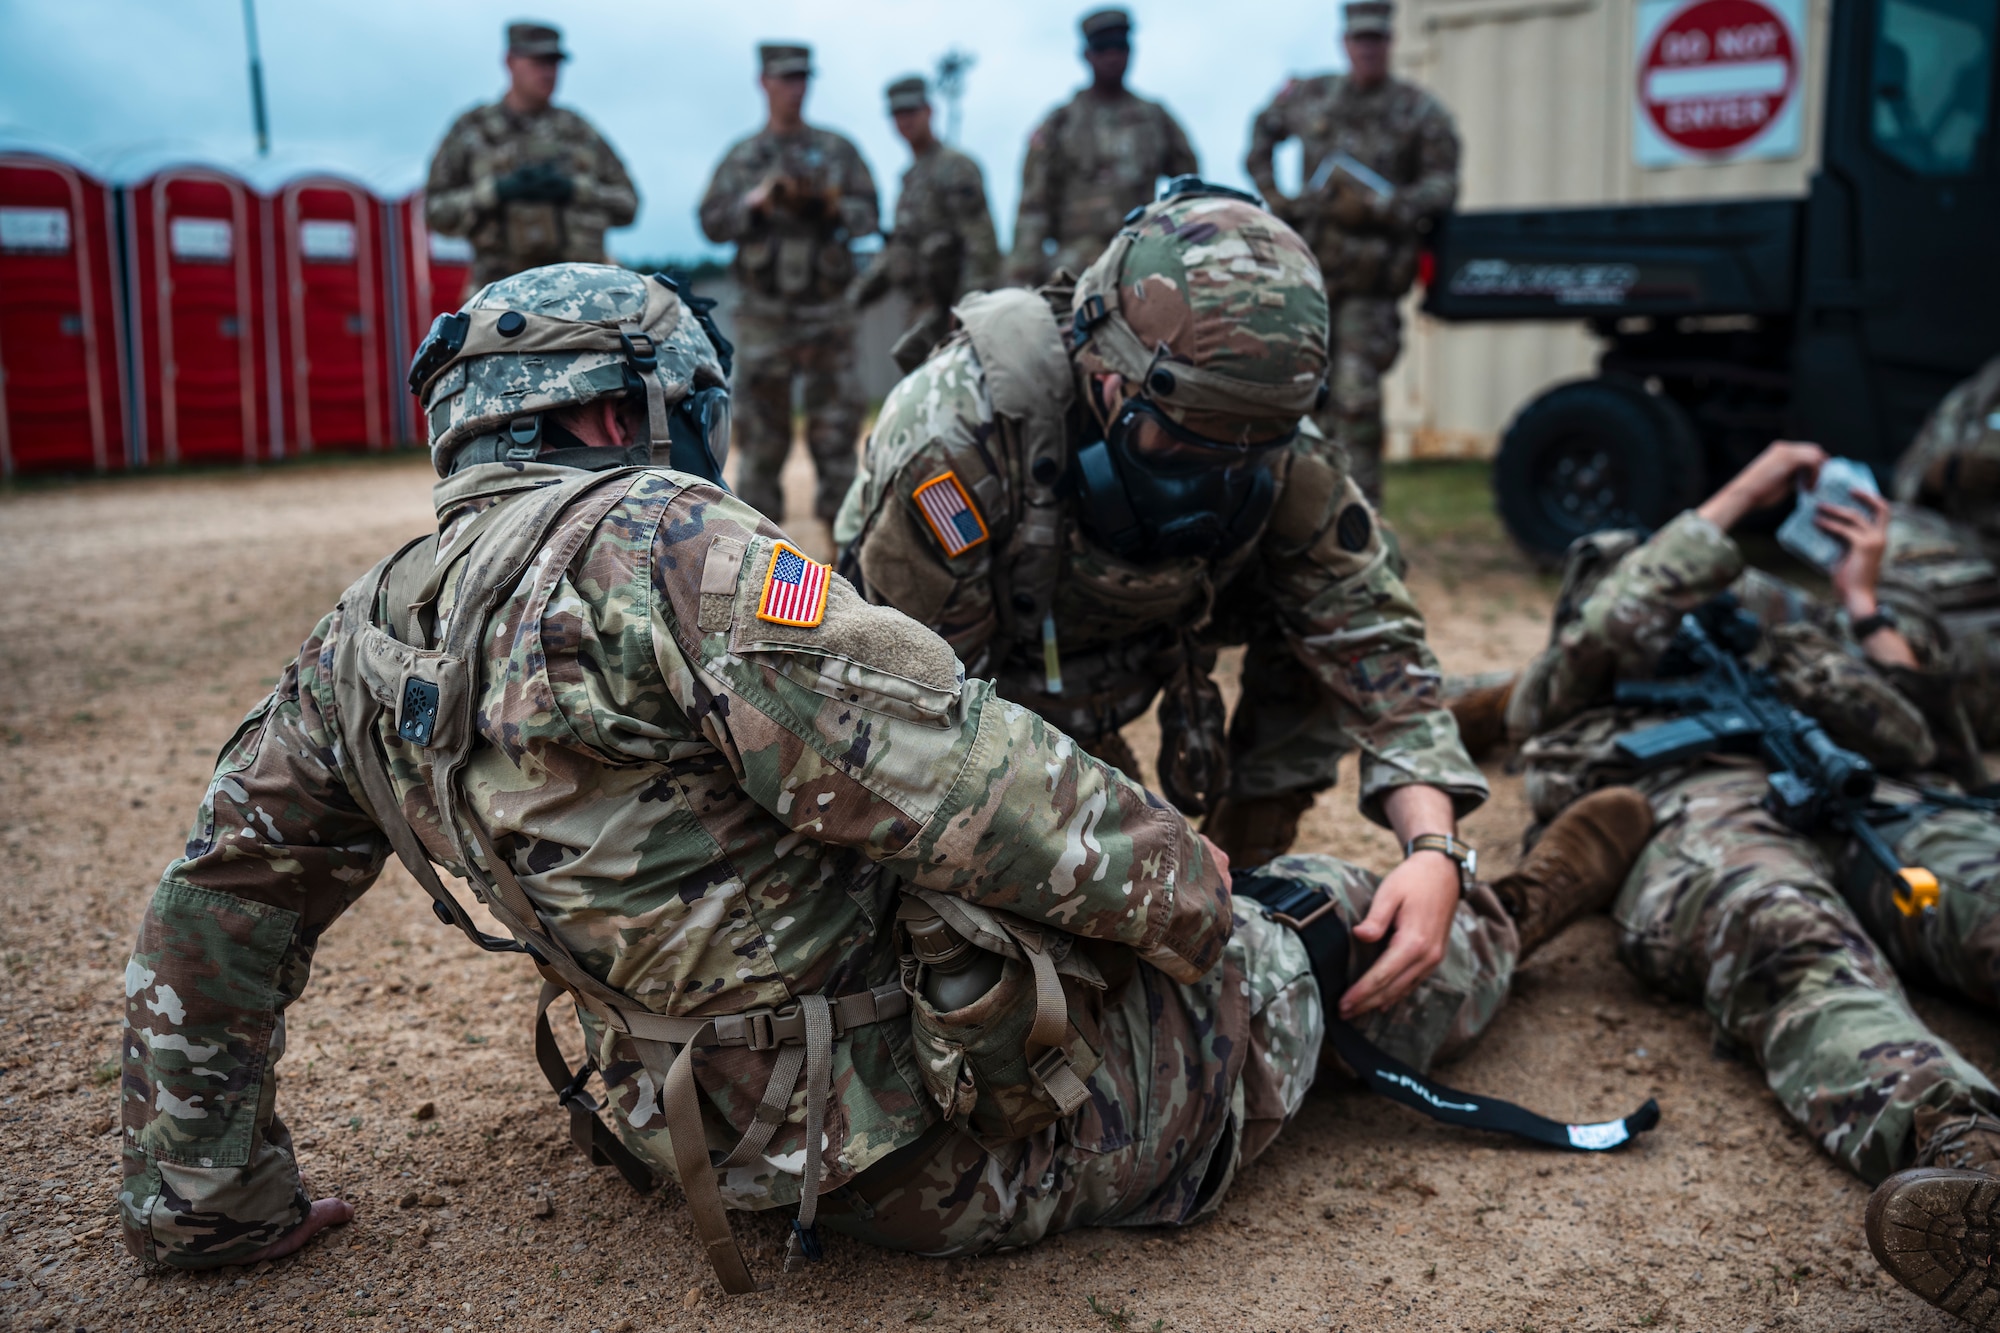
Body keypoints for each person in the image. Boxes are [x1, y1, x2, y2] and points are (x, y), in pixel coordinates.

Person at [117, 261, 1649, 1289]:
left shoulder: (366, 625)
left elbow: (216, 909)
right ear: (606, 415)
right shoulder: (667, 545)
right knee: (1318, 934)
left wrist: (209, 1193)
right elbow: (973, 780)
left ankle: (1491, 877)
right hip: (905, 1145)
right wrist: (1215, 908)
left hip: (673, 1118)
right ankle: (1540, 895)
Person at [1466, 439, 2000, 1328]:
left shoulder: (1784, 640)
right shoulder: (1571, 673)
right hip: (1697, 809)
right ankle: (1969, 1157)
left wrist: (1859, 608)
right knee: (1788, 938)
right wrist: (1747, 491)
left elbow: (1924, 743)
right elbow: (1609, 621)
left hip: (1868, 796)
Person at [840, 180, 1478, 871]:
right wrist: (1120, 841)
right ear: (1109, 376)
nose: (1216, 481)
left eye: (1250, 451)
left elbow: (1371, 634)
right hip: (993, 669)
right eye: (1182, 446)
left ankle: (1252, 845)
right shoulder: (959, 440)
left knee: (1316, 610)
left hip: (1144, 632)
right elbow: (921, 723)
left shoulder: (1269, 436)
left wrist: (1436, 849)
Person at [1244, 0, 1460, 505]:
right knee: (1305, 395)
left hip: (1371, 282)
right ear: (1346, 44)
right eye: (1359, 41)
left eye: (1377, 40)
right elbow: (1260, 139)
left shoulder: (1417, 110)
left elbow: (1443, 184)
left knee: (1356, 401)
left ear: (1390, 42)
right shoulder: (1313, 97)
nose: (1368, 50)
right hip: (1313, 279)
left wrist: (1392, 205)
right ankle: (1304, 513)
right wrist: (1278, 201)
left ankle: (1360, 521)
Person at [699, 43, 879, 526]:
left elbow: (870, 216)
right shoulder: (744, 157)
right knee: (760, 446)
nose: (794, 89)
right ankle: (759, 572)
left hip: (827, 319)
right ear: (764, 82)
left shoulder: (838, 151)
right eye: (785, 79)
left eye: (802, 78)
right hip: (764, 320)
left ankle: (850, 567)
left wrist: (831, 206)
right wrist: (754, 204)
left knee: (837, 443)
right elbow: (711, 222)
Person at [422, 22, 639, 294]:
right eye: (538, 62)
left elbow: (629, 204)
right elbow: (434, 212)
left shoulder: (580, 132)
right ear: (510, 61)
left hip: (580, 296)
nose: (549, 73)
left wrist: (574, 189)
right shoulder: (473, 131)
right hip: (499, 297)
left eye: (554, 63)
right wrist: (496, 192)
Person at [1003, 8, 1198, 287]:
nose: (1112, 56)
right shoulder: (1060, 124)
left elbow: (1190, 191)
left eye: (1119, 46)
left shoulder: (1155, 119)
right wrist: (1019, 282)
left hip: (1142, 259)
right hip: (1073, 267)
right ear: (1086, 54)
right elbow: (1033, 210)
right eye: (1102, 47)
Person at [850, 75, 1003, 376]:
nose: (905, 121)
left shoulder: (955, 168)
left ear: (929, 111)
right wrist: (853, 298)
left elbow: (981, 245)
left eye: (911, 111)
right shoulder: (910, 178)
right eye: (897, 114)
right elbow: (899, 251)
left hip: (954, 315)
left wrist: (967, 311)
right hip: (922, 313)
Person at [1885, 352, 2000, 745]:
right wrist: (1952, 471)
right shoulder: (1986, 390)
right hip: (1977, 550)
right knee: (1885, 530)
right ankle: (1902, 679)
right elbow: (1908, 479)